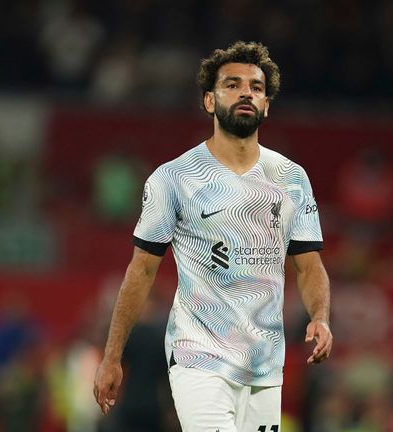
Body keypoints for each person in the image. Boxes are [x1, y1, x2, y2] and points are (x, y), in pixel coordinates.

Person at [93, 41, 333, 431]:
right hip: (197, 356)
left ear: (266, 104)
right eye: (232, 84)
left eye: (256, 87)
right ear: (209, 101)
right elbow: (141, 272)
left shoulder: (291, 178)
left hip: (265, 362)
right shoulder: (174, 178)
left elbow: (309, 267)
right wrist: (112, 355)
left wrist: (320, 317)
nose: (246, 93)